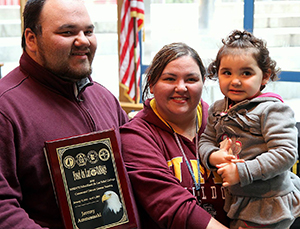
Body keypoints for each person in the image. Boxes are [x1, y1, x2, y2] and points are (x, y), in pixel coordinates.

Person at [0, 0, 132, 228]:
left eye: (88, 31)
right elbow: (3, 208)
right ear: (31, 39)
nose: (83, 41)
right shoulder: (6, 108)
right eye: (68, 31)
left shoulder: (104, 98)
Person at [120, 42, 229, 229]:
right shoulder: (135, 136)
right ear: (152, 84)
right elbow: (173, 207)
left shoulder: (224, 124)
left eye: (191, 79)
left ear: (203, 82)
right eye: (170, 79)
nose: (181, 88)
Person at [199, 30, 300, 229]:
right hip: (237, 201)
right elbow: (204, 141)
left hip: (269, 205)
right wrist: (213, 156)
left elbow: (286, 153)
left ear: (265, 76)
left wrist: (241, 171)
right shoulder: (217, 108)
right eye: (226, 72)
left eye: (246, 73)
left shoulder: (272, 109)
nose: (235, 81)